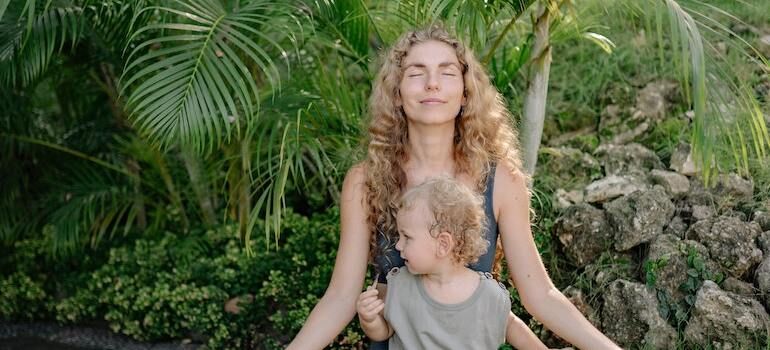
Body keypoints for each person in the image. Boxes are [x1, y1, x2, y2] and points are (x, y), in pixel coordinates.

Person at [287, 25, 620, 349]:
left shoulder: (502, 179)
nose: (432, 84)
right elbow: (341, 298)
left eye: (446, 73)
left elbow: (540, 296)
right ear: (397, 93)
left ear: (465, 94)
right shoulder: (364, 181)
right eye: (416, 73)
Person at [356, 176, 548, 349]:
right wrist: (370, 319)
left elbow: (511, 326)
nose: (398, 245)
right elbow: (384, 331)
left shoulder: (488, 295)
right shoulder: (400, 285)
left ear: (443, 244)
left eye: (407, 237)